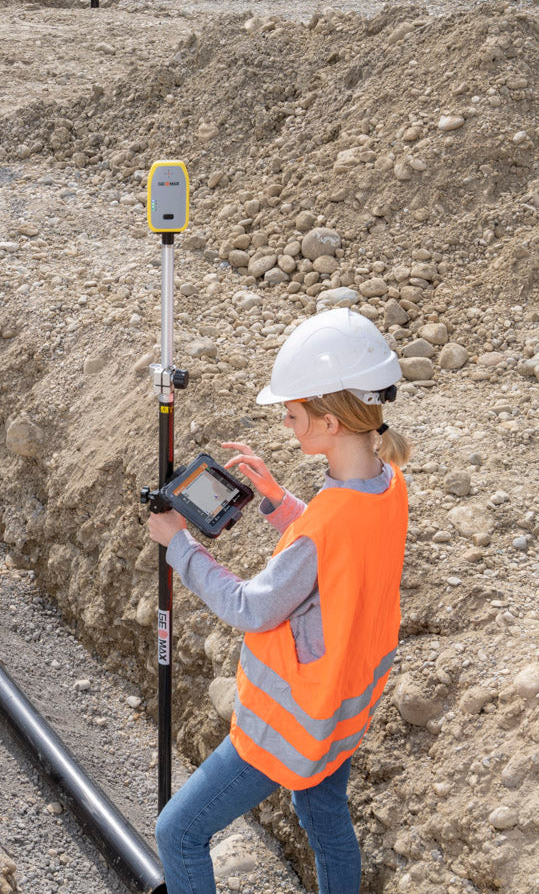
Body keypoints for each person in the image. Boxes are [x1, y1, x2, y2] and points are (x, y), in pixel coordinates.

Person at [146, 307, 412, 894]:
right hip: (342, 710)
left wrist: (179, 546)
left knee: (179, 833)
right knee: (323, 816)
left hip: (288, 723)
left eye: (293, 414)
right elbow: (338, 554)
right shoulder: (387, 484)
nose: (288, 425)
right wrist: (278, 501)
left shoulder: (326, 524)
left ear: (329, 421)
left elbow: (251, 607)